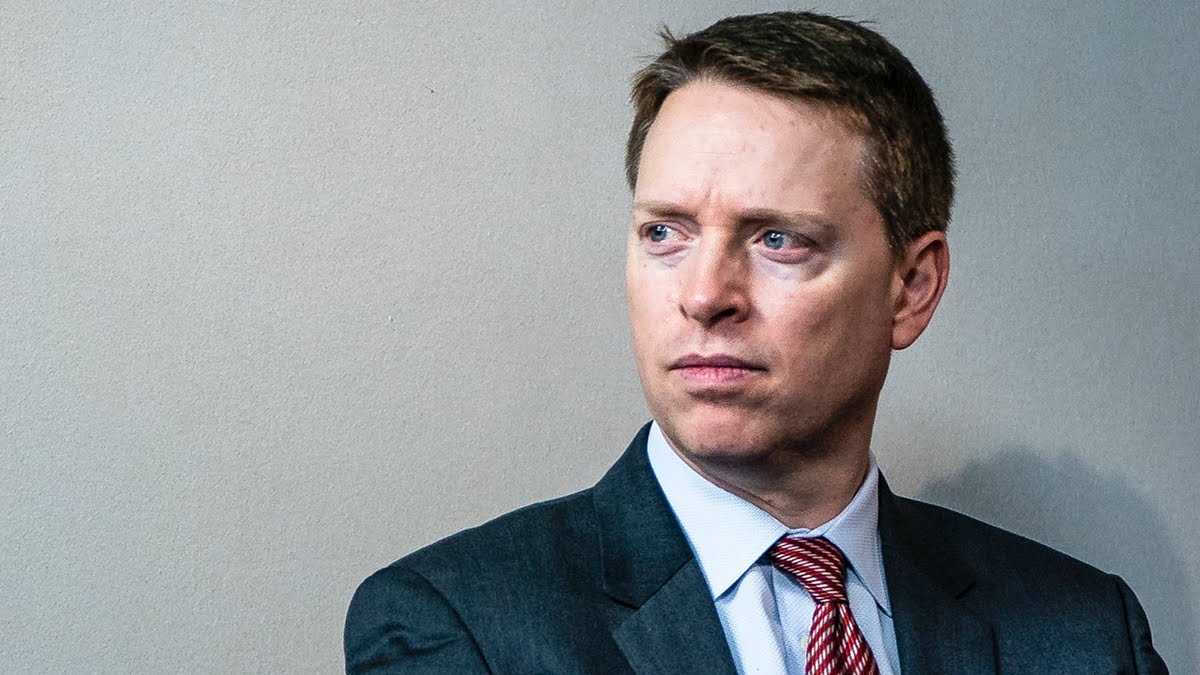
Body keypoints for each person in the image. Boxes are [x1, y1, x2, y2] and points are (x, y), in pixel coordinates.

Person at [345, 11, 1166, 674]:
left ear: (911, 288)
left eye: (778, 240)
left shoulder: (1088, 634)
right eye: (665, 232)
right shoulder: (457, 625)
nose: (703, 295)